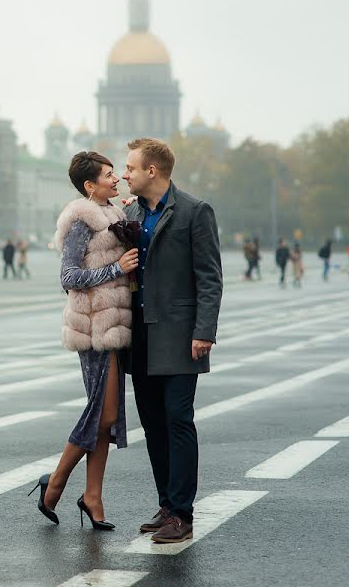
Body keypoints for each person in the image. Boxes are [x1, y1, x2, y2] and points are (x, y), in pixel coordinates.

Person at [121, 138, 222, 544]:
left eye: (130, 167)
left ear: (152, 171)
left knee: (178, 419)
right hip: (139, 333)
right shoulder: (129, 213)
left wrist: (204, 330)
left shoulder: (195, 211)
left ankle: (182, 513)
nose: (124, 173)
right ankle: (166, 504)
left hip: (180, 335)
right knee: (153, 424)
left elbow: (210, 277)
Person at [31, 151, 138, 530]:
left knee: (107, 420)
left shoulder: (115, 214)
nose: (116, 179)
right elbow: (69, 276)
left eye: (115, 174)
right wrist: (116, 268)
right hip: (93, 331)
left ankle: (93, 496)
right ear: (89, 185)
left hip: (115, 329)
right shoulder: (82, 221)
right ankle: (55, 485)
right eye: (109, 175)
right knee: (101, 414)